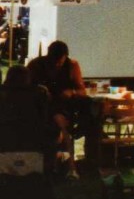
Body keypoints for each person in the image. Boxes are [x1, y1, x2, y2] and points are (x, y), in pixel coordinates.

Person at [27, 41, 88, 179]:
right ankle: (63, 165)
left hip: (63, 106)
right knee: (55, 122)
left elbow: (82, 91)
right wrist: (40, 91)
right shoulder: (35, 65)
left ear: (65, 56)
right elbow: (26, 88)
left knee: (59, 121)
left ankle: (63, 165)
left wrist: (71, 92)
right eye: (53, 61)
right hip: (39, 107)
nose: (56, 64)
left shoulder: (72, 66)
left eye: (59, 61)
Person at [0, 64, 62, 158]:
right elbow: (45, 119)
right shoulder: (39, 94)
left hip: (5, 142)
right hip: (34, 144)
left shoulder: (3, 94)